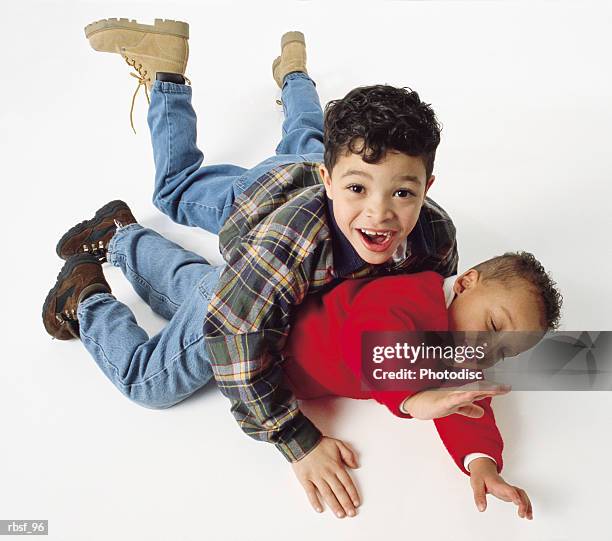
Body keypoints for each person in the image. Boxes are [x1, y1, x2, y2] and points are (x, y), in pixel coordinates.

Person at [51, 18, 459, 516]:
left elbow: (432, 300)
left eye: (403, 192)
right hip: (260, 203)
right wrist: (296, 438)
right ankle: (88, 284)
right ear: (331, 182)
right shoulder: (283, 247)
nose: (379, 213)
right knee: (152, 371)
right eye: (358, 189)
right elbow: (233, 335)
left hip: (304, 169)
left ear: (427, 187)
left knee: (310, 136)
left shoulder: (433, 233)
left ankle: (295, 75)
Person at [42, 200, 561, 520]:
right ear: (465, 282)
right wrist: (415, 399)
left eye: (504, 350)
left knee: (195, 286)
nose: (486, 350)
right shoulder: (414, 297)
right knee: (148, 382)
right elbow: (376, 349)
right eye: (492, 326)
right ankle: (85, 299)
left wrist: (483, 462)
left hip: (243, 296)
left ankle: (120, 234)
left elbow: (466, 406)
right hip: (251, 339)